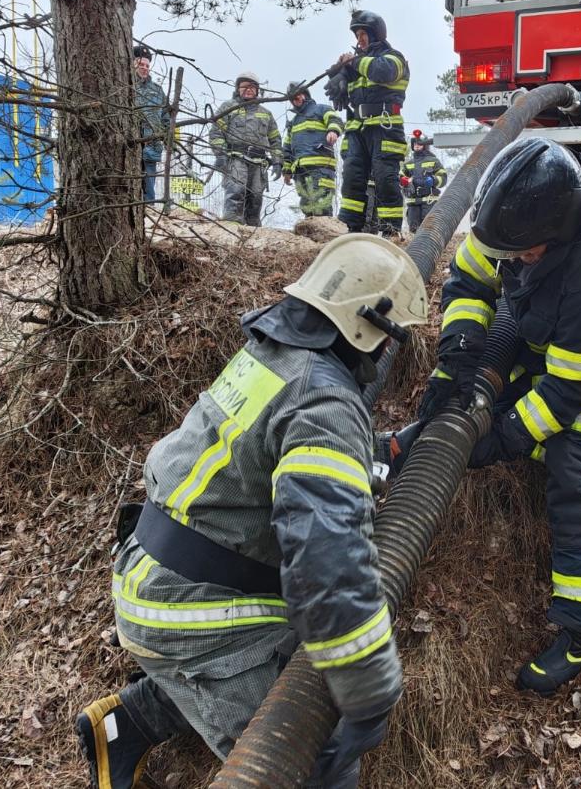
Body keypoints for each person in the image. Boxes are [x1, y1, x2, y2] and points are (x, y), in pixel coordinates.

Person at [75, 234, 428, 789]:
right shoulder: (325, 401)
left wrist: (377, 450)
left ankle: (126, 725)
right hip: (195, 612)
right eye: (388, 342)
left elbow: (267, 451)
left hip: (157, 572)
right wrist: (369, 692)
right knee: (312, 759)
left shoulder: (272, 355)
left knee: (259, 656)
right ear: (366, 329)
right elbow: (328, 565)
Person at [386, 137, 581, 697]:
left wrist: (504, 436)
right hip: (538, 341)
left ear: (555, 237)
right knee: (467, 407)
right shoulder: (506, 225)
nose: (514, 256)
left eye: (525, 251)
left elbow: (563, 399)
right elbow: (468, 282)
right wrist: (455, 359)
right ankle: (398, 449)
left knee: (574, 468)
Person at [334, 11, 409, 236]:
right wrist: (339, 75)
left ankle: (390, 232)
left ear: (376, 34)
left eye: (363, 33)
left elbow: (381, 71)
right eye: (357, 34)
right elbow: (345, 97)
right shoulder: (356, 66)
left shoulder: (394, 57)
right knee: (352, 180)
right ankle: (351, 229)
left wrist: (353, 62)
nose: (359, 39)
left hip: (386, 128)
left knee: (386, 180)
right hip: (358, 130)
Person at [209, 72, 283, 226]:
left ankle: (252, 232)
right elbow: (216, 132)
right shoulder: (228, 107)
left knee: (256, 196)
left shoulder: (265, 113)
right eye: (245, 86)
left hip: (259, 163)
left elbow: (275, 139)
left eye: (252, 87)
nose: (249, 90)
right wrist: (220, 154)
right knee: (235, 192)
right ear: (238, 88)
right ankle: (231, 228)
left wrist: (277, 161)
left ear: (257, 90)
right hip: (236, 159)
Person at [282, 80, 343, 220]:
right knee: (306, 204)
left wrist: (333, 131)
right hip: (300, 169)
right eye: (292, 99)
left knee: (321, 202)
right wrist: (286, 170)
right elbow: (287, 147)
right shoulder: (294, 122)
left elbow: (335, 120)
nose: (295, 101)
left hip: (321, 167)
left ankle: (326, 235)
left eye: (297, 96)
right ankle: (310, 235)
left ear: (305, 95)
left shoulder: (321, 109)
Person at [133, 45, 170, 204]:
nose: (144, 68)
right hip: (130, 146)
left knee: (149, 190)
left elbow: (166, 118)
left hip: (151, 147)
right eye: (140, 64)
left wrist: (169, 140)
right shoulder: (125, 86)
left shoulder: (157, 90)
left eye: (147, 66)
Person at [400, 130, 447, 232]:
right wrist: (403, 180)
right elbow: (400, 177)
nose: (416, 145)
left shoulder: (433, 160)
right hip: (413, 202)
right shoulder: (408, 163)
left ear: (425, 145)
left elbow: (443, 177)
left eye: (419, 143)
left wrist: (434, 180)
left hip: (429, 202)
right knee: (413, 229)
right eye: (414, 143)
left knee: (429, 229)